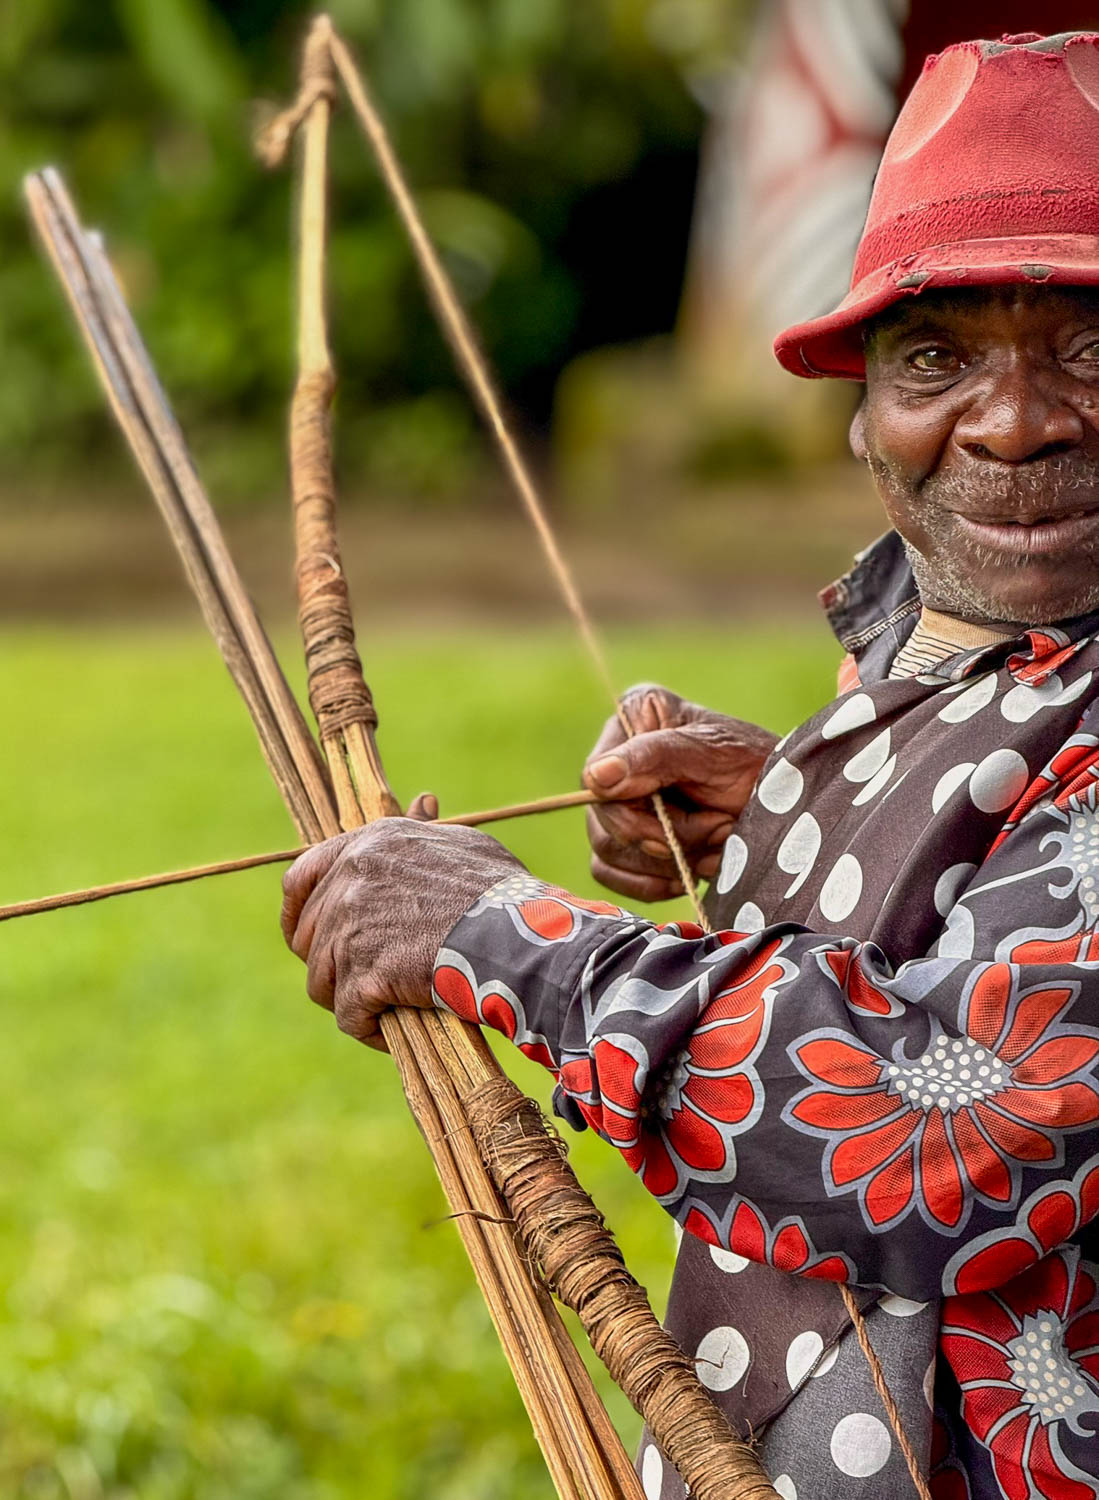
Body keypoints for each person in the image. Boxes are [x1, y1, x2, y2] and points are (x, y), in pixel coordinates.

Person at [280, 33, 1099, 1499]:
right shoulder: (951, 637)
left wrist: (505, 938)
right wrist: (808, 798)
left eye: (1092, 350)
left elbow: (942, 1136)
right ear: (859, 412)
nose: (1014, 419)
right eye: (934, 356)